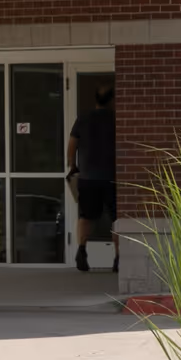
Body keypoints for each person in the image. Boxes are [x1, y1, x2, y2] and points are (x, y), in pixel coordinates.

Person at [67, 85, 116, 272]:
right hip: (112, 177)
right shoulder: (115, 119)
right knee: (116, 218)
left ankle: (81, 249)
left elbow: (72, 145)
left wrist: (73, 166)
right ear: (112, 100)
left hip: (87, 177)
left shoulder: (83, 118)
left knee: (85, 216)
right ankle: (119, 258)